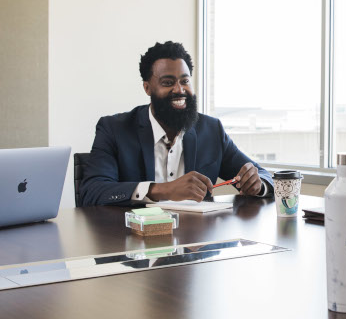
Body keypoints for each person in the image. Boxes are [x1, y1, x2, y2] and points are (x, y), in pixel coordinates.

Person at [78, 41, 272, 206]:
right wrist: (163, 190)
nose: (179, 90)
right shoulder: (114, 129)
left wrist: (257, 184)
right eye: (168, 82)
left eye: (185, 81)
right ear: (147, 88)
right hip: (133, 241)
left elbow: (263, 174)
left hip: (195, 242)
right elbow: (93, 191)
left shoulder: (211, 130)